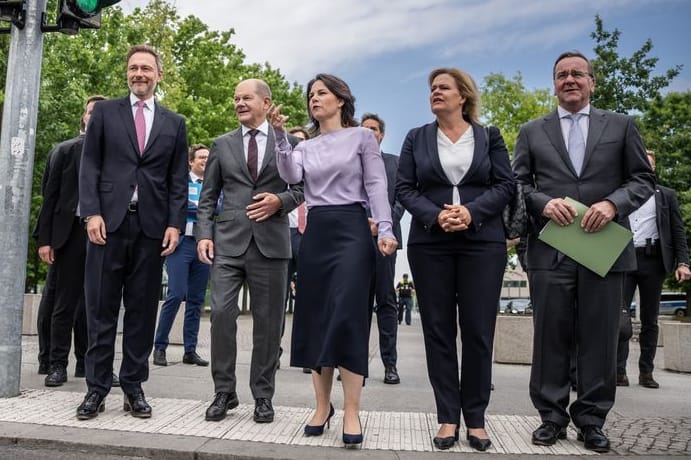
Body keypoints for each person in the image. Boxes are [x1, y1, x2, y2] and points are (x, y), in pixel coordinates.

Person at [512, 51, 655, 453]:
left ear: (592, 82)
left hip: (604, 250)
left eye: (577, 74)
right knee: (550, 338)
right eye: (561, 75)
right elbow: (517, 183)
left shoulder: (623, 125)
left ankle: (592, 419)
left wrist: (613, 204)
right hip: (551, 250)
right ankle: (551, 417)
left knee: (600, 338)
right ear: (553, 83)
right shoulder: (531, 131)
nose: (570, 80)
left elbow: (642, 178)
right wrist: (541, 203)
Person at [271, 73, 397, 448]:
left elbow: (376, 184)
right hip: (318, 231)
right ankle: (322, 407)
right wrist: (280, 136)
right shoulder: (306, 146)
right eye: (311, 94)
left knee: (347, 316)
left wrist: (386, 228)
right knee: (316, 318)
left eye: (321, 93)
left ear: (341, 99)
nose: (314, 99)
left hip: (353, 230)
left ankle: (353, 410)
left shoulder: (361, 137)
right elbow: (291, 175)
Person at [396, 67, 514, 452]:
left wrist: (472, 212)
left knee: (479, 331)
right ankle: (447, 416)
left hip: (482, 242)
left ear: (462, 95)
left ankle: (476, 420)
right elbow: (404, 188)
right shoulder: (416, 138)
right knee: (438, 331)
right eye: (432, 88)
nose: (435, 92)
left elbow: (505, 185)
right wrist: (435, 215)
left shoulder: (489, 136)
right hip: (431, 243)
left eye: (443, 87)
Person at [77, 44, 189, 420]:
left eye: (146, 68)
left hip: (151, 228)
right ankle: (96, 388)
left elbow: (177, 180)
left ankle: (134, 387)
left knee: (141, 311)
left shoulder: (175, 123)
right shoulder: (106, 112)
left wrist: (175, 224)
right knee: (101, 309)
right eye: (133, 68)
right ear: (127, 73)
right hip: (107, 225)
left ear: (158, 75)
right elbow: (89, 165)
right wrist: (91, 212)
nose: (139, 73)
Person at [196, 79, 303, 424]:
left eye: (246, 98)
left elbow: (303, 188)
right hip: (228, 243)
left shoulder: (291, 143)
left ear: (266, 102)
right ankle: (224, 392)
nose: (239, 103)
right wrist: (203, 235)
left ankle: (262, 395)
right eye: (235, 98)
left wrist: (280, 201)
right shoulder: (221, 144)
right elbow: (207, 197)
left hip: (271, 245)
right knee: (222, 315)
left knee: (269, 325)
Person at [36, 95, 105, 386]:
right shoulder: (64, 151)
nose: (96, 117)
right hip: (70, 234)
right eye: (92, 112)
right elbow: (49, 197)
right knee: (64, 303)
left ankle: (89, 364)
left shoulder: (114, 153)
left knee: (97, 304)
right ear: (84, 117)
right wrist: (45, 239)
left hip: (102, 234)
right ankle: (56, 364)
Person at [617, 150, 691, 388]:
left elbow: (677, 230)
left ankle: (646, 372)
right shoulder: (621, 194)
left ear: (653, 169)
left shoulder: (666, 196)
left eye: (646, 165)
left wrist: (683, 262)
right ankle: (619, 372)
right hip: (624, 258)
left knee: (650, 319)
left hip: (653, 260)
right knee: (620, 318)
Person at [153, 144, 214, 368]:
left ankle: (190, 350)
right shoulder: (180, 182)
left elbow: (219, 208)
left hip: (202, 244)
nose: (205, 161)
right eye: (201, 157)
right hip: (181, 244)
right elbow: (177, 206)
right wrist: (199, 209)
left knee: (197, 299)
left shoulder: (213, 185)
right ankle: (160, 346)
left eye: (208, 157)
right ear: (191, 161)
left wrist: (195, 209)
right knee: (176, 294)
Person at [361, 112, 404, 385]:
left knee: (386, 302)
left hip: (385, 241)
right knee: (357, 305)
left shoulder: (395, 164)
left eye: (373, 129)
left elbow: (402, 199)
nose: (368, 133)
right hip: (354, 241)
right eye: (363, 129)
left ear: (381, 135)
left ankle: (390, 364)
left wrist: (384, 223)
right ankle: (354, 364)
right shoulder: (349, 162)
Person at [285, 127, 309, 374]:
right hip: (284, 233)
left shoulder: (315, 167)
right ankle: (274, 352)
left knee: (309, 299)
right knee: (277, 297)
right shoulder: (282, 168)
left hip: (310, 235)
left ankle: (306, 353)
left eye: (302, 141)